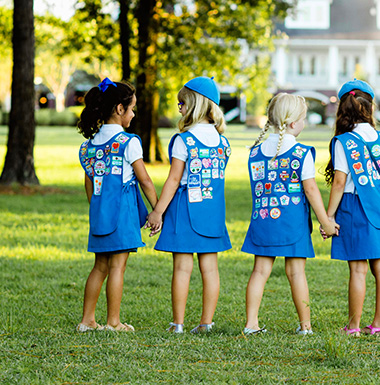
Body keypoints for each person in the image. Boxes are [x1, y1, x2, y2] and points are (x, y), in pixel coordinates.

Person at [242, 93, 339, 335]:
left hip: (262, 223)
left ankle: (251, 323)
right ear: (294, 123)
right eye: (304, 119)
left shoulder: (255, 152)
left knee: (259, 272)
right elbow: (311, 190)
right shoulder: (301, 153)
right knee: (296, 273)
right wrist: (325, 221)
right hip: (293, 226)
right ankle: (305, 326)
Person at [147, 76, 231, 334]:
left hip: (184, 209)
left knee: (182, 268)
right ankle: (206, 323)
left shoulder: (183, 140)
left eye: (182, 103)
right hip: (212, 212)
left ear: (195, 104)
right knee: (210, 268)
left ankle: (178, 324)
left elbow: (174, 180)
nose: (179, 108)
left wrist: (158, 211)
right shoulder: (223, 142)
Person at [76, 78, 158, 332]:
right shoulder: (128, 142)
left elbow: (89, 186)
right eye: (131, 109)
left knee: (99, 267)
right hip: (122, 214)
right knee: (118, 267)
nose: (133, 114)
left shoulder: (88, 146)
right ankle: (113, 321)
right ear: (120, 109)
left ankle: (87, 320)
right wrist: (157, 209)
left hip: (100, 213)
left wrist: (99, 209)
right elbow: (144, 179)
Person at [323, 79, 380, 336]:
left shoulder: (343, 141)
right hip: (379, 207)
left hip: (352, 207)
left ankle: (354, 327)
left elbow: (339, 182)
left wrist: (329, 215)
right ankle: (379, 325)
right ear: (370, 107)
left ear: (343, 109)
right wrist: (372, 193)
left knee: (358, 269)